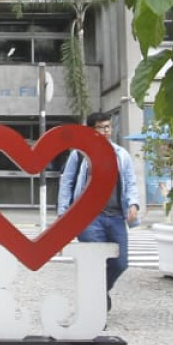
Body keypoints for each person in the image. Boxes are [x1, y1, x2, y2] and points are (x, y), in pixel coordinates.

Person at [56, 110, 141, 310]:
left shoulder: (121, 154)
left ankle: (100, 292)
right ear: (91, 131)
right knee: (95, 262)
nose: (106, 131)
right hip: (89, 219)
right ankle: (95, 309)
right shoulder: (79, 155)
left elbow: (130, 182)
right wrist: (63, 215)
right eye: (101, 127)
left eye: (108, 127)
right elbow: (67, 183)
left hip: (115, 217)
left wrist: (133, 204)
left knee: (120, 263)